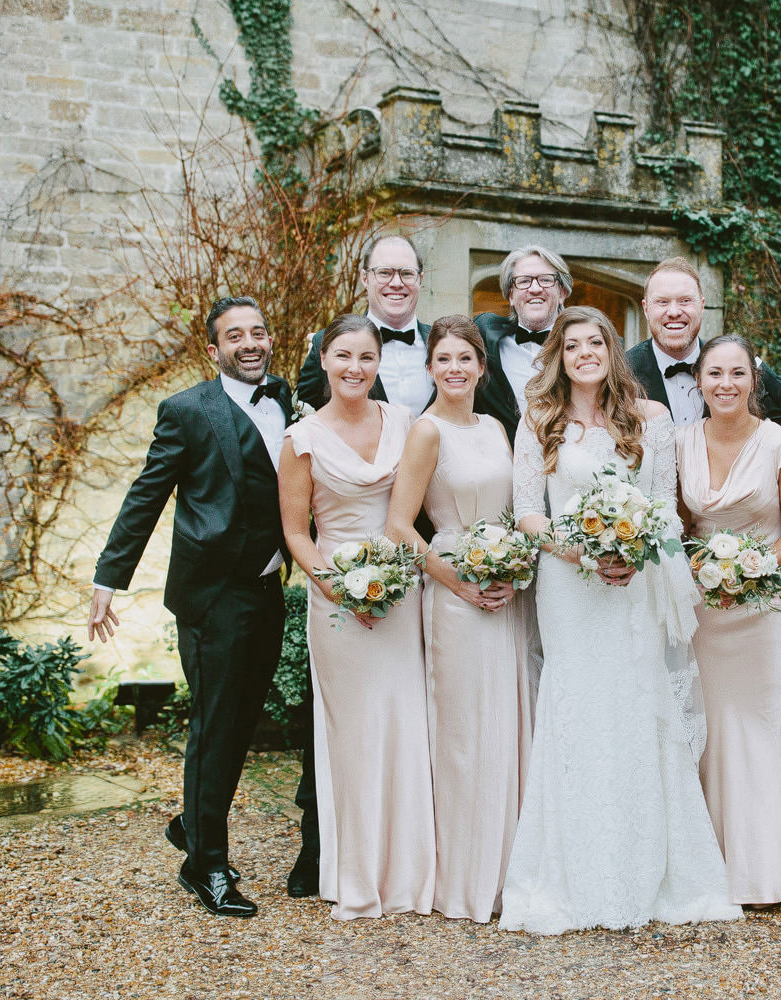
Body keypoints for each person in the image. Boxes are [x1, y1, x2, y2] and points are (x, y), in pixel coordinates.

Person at [501, 305, 741, 934]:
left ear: (612, 350)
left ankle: (648, 869)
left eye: (596, 342)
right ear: (559, 356)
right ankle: (573, 872)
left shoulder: (650, 419)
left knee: (636, 704)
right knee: (576, 706)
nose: (585, 353)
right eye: (572, 344)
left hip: (634, 583)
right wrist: (580, 550)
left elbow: (662, 505)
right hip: (567, 584)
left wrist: (630, 552)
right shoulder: (538, 419)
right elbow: (527, 510)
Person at [88, 296, 316, 917]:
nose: (250, 343)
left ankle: (194, 823)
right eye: (235, 335)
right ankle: (205, 865)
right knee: (215, 726)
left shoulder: (286, 398)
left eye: (258, 332)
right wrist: (108, 578)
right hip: (213, 594)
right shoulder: (188, 411)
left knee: (240, 724)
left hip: (267, 589)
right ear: (214, 350)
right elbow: (147, 493)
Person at [279, 313, 435, 920]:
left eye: (366, 357)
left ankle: (411, 873)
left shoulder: (405, 422)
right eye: (343, 355)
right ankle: (357, 873)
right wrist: (341, 589)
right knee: (353, 735)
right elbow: (297, 532)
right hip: (338, 602)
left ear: (378, 364)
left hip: (401, 595)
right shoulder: (302, 440)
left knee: (405, 724)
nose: (355, 367)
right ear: (323, 360)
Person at [384, 315, 535, 923]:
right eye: (443, 359)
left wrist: (513, 570)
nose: (454, 369)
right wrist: (459, 582)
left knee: (509, 722)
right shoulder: (426, 432)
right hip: (455, 591)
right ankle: (465, 882)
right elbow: (399, 526)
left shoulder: (496, 427)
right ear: (430, 369)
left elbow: (516, 510)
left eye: (464, 359)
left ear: (481, 368)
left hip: (506, 590)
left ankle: (511, 873)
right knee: (465, 734)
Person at [675, 334, 781, 907]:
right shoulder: (681, 443)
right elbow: (680, 526)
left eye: (737, 373)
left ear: (754, 380)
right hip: (703, 608)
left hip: (761, 609)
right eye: (714, 373)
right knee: (707, 728)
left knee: (761, 725)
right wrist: (701, 568)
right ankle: (710, 864)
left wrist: (752, 568)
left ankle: (765, 871)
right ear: (699, 381)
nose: (725, 384)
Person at [626, 257, 781, 431]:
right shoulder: (622, 372)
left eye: (685, 301)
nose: (674, 312)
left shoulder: (739, 367)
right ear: (646, 309)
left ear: (702, 306)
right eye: (662, 302)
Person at [297, 234, 434, 414]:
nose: (396, 283)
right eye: (384, 273)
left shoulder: (442, 344)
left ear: (420, 279)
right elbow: (302, 416)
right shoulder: (326, 343)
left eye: (407, 273)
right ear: (365, 278)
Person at [473, 245, 573, 442]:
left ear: (562, 293)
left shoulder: (586, 348)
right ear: (511, 295)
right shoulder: (484, 335)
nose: (535, 289)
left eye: (546, 280)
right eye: (524, 281)